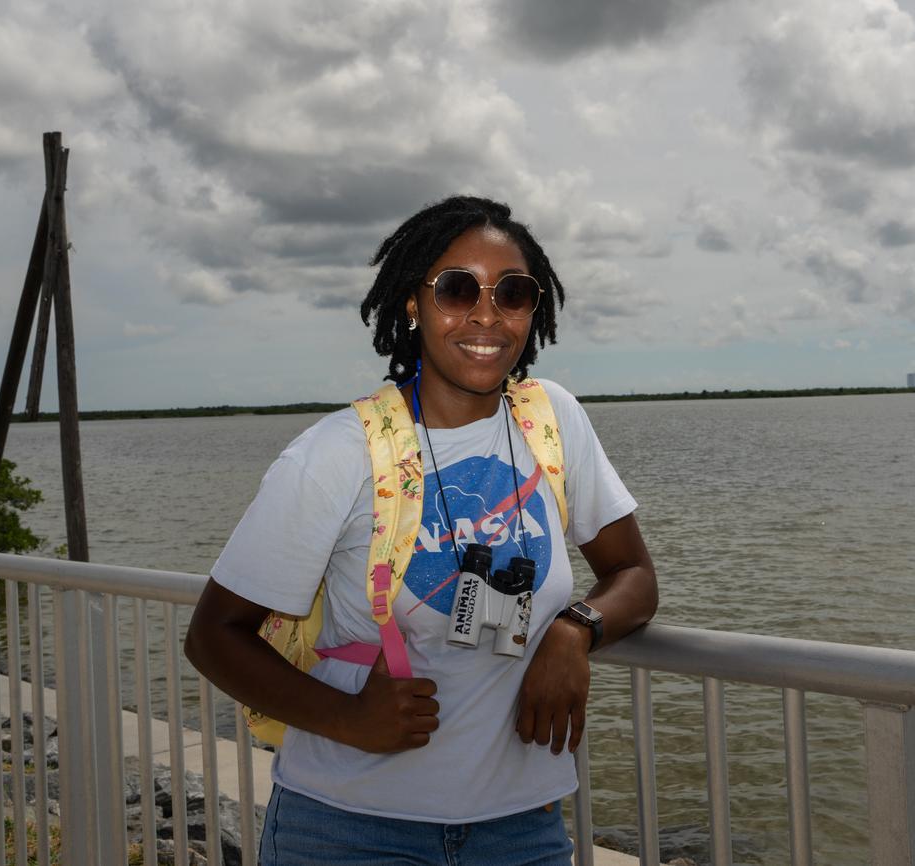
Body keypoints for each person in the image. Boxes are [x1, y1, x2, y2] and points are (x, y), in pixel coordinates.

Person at [185, 195, 658, 865]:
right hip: (348, 830)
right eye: (457, 288)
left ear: (535, 310)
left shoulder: (553, 421)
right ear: (414, 303)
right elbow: (213, 635)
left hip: (522, 831)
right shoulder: (336, 453)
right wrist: (348, 719)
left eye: (513, 293)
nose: (486, 315)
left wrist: (575, 629)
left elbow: (634, 576)